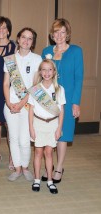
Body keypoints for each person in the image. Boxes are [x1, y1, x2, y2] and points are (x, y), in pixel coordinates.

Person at [41, 18, 84, 183]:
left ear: (68, 34)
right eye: (56, 32)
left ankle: (59, 167)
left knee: (62, 134)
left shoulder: (76, 51)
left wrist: (76, 102)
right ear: (52, 35)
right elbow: (41, 75)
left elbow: (79, 78)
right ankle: (49, 167)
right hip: (49, 100)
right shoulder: (46, 51)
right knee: (49, 134)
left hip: (67, 100)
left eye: (62, 32)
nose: (59, 35)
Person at [3, 27, 42, 182]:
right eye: (23, 37)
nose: (26, 40)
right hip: (10, 103)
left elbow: (35, 85)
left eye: (30, 38)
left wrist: (22, 103)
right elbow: (6, 83)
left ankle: (25, 167)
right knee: (13, 137)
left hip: (27, 104)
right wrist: (8, 102)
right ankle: (17, 168)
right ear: (18, 39)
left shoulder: (37, 59)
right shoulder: (10, 58)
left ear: (32, 42)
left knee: (25, 139)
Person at [28, 59, 66, 194]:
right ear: (40, 72)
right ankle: (37, 179)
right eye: (44, 69)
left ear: (54, 72)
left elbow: (61, 111)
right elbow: (31, 110)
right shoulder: (35, 89)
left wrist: (59, 128)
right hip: (38, 124)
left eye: (50, 69)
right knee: (38, 153)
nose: (47, 72)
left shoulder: (59, 89)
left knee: (49, 153)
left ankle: (50, 181)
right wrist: (31, 128)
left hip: (53, 124)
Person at [0, 16, 15, 171]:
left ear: (9, 31)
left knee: (10, 126)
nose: (1, 30)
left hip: (9, 91)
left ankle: (13, 156)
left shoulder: (14, 48)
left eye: (5, 27)